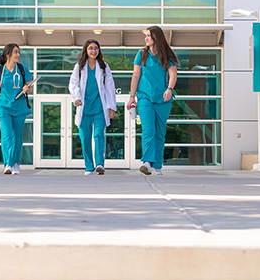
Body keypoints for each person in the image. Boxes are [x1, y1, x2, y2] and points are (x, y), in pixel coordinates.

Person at [126, 26, 178, 176]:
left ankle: (157, 165)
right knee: (148, 129)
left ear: (157, 37)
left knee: (160, 132)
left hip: (163, 98)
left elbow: (173, 74)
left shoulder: (167, 54)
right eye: (146, 35)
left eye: (149, 35)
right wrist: (132, 97)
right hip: (144, 97)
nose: (146, 38)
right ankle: (147, 162)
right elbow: (136, 76)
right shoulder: (141, 54)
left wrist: (169, 89)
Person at [0, 43, 33, 175]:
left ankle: (15, 164)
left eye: (19, 52)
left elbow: (30, 88)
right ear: (8, 54)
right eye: (16, 52)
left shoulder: (22, 69)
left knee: (17, 137)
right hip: (4, 107)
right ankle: (8, 164)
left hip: (19, 107)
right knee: (7, 135)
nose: (18, 55)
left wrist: (27, 89)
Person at [68, 39, 117, 175]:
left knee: (98, 135)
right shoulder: (80, 66)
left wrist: (112, 106)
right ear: (86, 50)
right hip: (84, 108)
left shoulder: (103, 66)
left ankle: (100, 164)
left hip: (100, 108)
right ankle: (89, 166)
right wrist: (76, 98)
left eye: (96, 48)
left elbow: (110, 87)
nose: (93, 51)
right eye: (91, 48)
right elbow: (73, 84)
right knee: (85, 138)